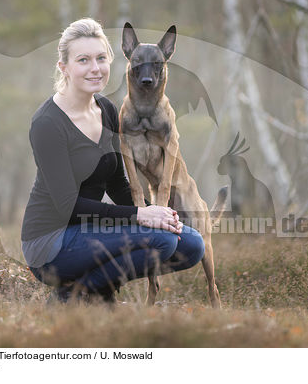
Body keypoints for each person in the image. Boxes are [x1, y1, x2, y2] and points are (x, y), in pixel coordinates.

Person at [21, 18, 205, 303]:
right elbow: (67, 206)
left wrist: (153, 215)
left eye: (101, 58)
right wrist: (139, 215)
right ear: (64, 67)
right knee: (163, 241)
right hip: (49, 242)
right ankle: (72, 295)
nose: (95, 68)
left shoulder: (106, 109)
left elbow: (118, 183)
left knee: (191, 243)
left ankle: (91, 286)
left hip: (88, 227)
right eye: (83, 60)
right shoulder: (47, 123)